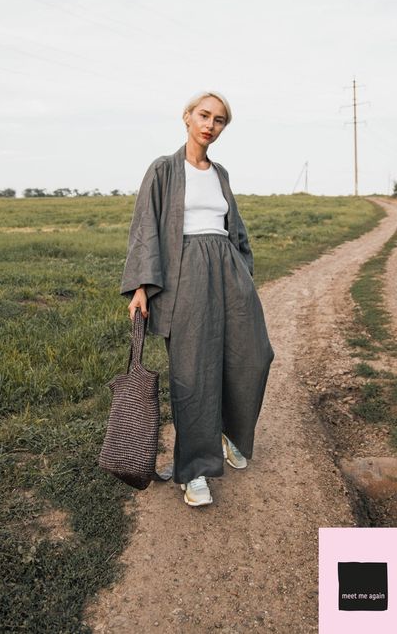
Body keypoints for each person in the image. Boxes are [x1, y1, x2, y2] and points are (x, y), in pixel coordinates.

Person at [120, 91, 275, 507]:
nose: (210, 124)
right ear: (187, 117)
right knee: (194, 373)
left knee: (254, 356)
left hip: (228, 271)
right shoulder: (164, 168)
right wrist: (140, 287)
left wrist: (242, 270)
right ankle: (195, 470)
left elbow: (235, 228)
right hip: (186, 272)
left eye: (219, 120)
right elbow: (146, 227)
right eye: (204, 115)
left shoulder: (220, 172)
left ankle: (233, 434)